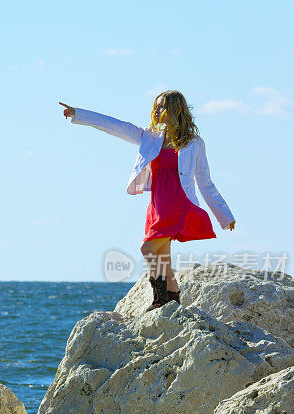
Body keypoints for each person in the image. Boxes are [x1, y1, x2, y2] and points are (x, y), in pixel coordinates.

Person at [59, 91, 236, 311]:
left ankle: (159, 299)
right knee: (162, 255)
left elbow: (205, 182)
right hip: (157, 205)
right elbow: (114, 126)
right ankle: (172, 299)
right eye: (156, 107)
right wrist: (79, 114)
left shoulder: (194, 143)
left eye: (162, 107)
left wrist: (224, 215)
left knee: (147, 248)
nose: (157, 111)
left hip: (179, 203)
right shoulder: (150, 136)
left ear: (176, 109)